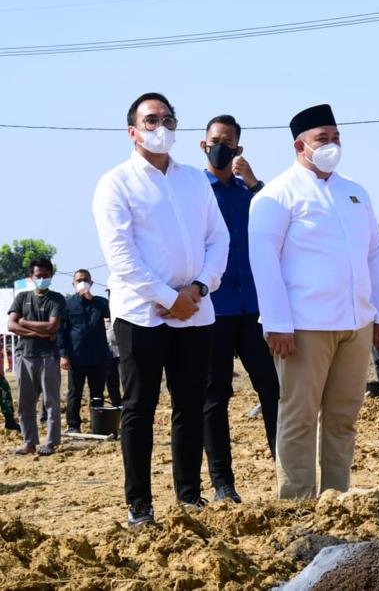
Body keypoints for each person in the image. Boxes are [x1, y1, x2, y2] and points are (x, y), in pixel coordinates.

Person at [93, 92, 230, 526]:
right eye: (151, 120)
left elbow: (218, 240)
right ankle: (140, 506)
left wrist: (198, 288)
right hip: (142, 315)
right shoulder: (115, 183)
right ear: (133, 131)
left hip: (196, 311)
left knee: (191, 405)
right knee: (139, 408)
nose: (161, 127)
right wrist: (169, 298)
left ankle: (189, 497)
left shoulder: (194, 180)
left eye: (168, 119)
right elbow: (121, 254)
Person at [249, 103, 379, 500]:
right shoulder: (277, 195)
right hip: (304, 326)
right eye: (322, 139)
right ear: (300, 145)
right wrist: (276, 323)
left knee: (343, 417)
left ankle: (337, 498)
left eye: (335, 138)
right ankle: (298, 502)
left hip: (356, 323)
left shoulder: (354, 192)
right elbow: (264, 263)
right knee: (298, 416)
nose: (331, 145)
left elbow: (373, 255)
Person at [200, 114, 281, 504]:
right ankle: (223, 484)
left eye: (228, 142)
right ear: (203, 145)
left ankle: (286, 469)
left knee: (272, 387)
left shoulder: (252, 195)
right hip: (212, 309)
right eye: (215, 140)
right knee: (215, 397)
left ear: (239, 149)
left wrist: (252, 182)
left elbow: (276, 221)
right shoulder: (194, 190)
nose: (221, 146)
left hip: (252, 308)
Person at [7, 258, 65, 455]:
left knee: (51, 402)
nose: (42, 279)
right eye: (38, 276)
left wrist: (24, 322)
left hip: (48, 356)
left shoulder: (57, 299)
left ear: (51, 276)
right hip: (25, 355)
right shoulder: (22, 298)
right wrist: (37, 333)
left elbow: (52, 326)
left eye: (45, 276)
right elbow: (11, 325)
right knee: (25, 403)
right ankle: (29, 442)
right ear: (31, 277)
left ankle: (50, 442)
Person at [58, 269, 113, 432]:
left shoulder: (100, 302)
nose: (82, 282)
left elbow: (110, 312)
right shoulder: (68, 305)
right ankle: (74, 425)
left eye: (85, 280)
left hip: (98, 356)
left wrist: (90, 298)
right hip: (76, 357)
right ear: (73, 284)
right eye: (79, 280)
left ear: (91, 282)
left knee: (97, 393)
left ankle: (98, 424)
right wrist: (63, 355)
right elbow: (61, 331)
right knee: (74, 393)